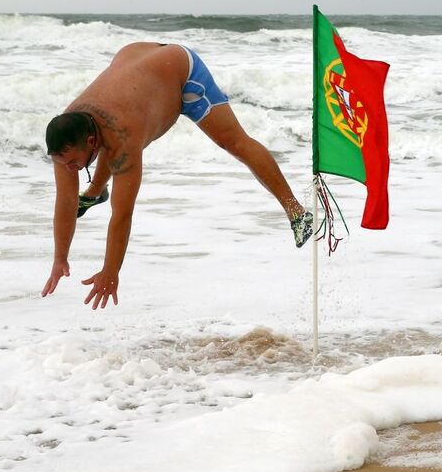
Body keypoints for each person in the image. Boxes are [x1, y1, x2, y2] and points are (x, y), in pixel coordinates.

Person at [41, 42, 313, 309]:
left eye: (73, 163)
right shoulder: (65, 137)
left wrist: (110, 270)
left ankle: (297, 212)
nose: (68, 169)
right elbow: (65, 202)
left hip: (180, 73)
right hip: (137, 63)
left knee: (234, 142)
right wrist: (59, 259)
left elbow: (122, 214)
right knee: (107, 150)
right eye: (63, 163)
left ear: (89, 142)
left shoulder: (124, 137)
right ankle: (94, 192)